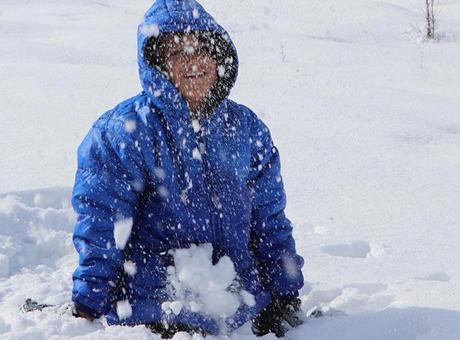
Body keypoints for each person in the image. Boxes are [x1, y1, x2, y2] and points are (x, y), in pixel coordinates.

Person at [71, 0, 305, 337]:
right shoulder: (122, 133)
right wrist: (88, 302)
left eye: (201, 49)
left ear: (218, 56)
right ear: (158, 65)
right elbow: (103, 225)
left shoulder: (246, 128)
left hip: (243, 310)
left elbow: (269, 219)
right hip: (158, 311)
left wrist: (285, 288)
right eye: (177, 53)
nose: (193, 62)